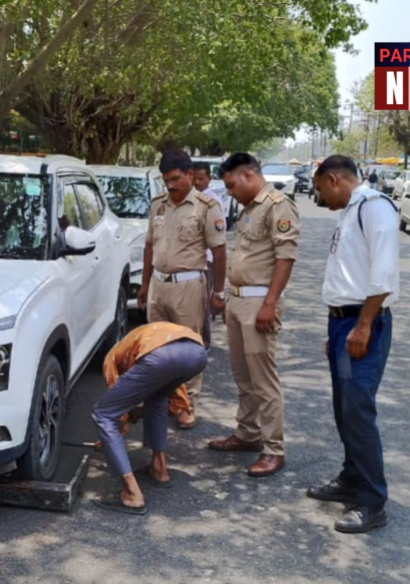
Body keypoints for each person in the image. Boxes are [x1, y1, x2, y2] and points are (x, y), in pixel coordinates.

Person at [307, 155, 399, 534]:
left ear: (333, 180)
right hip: (344, 322)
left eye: (319, 191)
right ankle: (351, 479)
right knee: (344, 409)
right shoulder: (348, 211)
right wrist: (337, 330)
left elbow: (383, 275)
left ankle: (373, 500)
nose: (320, 199)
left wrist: (361, 327)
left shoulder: (375, 209)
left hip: (365, 323)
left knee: (359, 412)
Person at [207, 152, 300, 478]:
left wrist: (270, 304)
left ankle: (274, 450)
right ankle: (247, 434)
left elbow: (285, 257)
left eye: (231, 185)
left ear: (248, 175)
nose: (229, 192)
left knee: (263, 380)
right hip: (238, 302)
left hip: (260, 302)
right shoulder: (249, 209)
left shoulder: (278, 205)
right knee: (243, 376)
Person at [137, 150, 227, 430]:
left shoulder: (206, 206)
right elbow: (150, 245)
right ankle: (165, 399)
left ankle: (188, 404)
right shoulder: (158, 205)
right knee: (157, 348)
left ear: (190, 175)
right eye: (167, 181)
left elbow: (219, 251)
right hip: (158, 286)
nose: (171, 186)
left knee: (189, 347)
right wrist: (145, 283)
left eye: (176, 179)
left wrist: (218, 292)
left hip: (188, 285)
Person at [92, 322, 208, 515]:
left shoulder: (111, 359)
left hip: (161, 357)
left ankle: (131, 494)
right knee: (157, 397)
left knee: (103, 413)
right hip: (197, 353)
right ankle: (159, 468)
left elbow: (115, 414)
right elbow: (176, 402)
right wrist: (137, 413)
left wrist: (110, 439)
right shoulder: (141, 340)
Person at [193, 160, 225, 350]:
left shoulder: (212, 202)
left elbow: (218, 240)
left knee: (202, 303)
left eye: (201, 178)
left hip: (206, 261)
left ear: (209, 179)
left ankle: (203, 342)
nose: (197, 182)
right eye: (194, 178)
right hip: (190, 262)